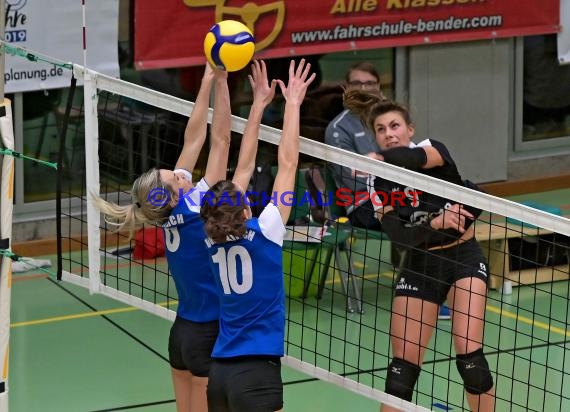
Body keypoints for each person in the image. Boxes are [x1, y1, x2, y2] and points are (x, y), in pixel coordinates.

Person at [93, 60, 275, 412]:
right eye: (175, 177)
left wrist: (209, 79)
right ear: (173, 194)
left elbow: (195, 138)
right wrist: (224, 84)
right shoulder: (198, 209)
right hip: (209, 333)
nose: (181, 173)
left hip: (182, 334)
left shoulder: (166, 211)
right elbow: (219, 140)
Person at [344, 92, 495, 411]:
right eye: (381, 129)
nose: (389, 133)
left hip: (462, 258)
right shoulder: (379, 183)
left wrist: (382, 159)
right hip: (419, 264)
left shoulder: (433, 152)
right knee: (401, 372)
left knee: (471, 362)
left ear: (410, 129)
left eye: (395, 125)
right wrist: (436, 223)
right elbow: (400, 239)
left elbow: (413, 160)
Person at [200, 59, 316, 412]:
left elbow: (245, 168)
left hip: (218, 373)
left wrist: (258, 107)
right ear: (246, 210)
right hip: (256, 375)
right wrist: (292, 104)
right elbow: (288, 163)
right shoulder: (265, 231)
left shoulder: (211, 238)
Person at [324, 61, 385, 230]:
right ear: (347, 88)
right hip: (363, 206)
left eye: (370, 83)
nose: (363, 89)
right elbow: (353, 180)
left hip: (397, 197)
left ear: (379, 87)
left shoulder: (389, 122)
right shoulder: (337, 128)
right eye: (357, 83)